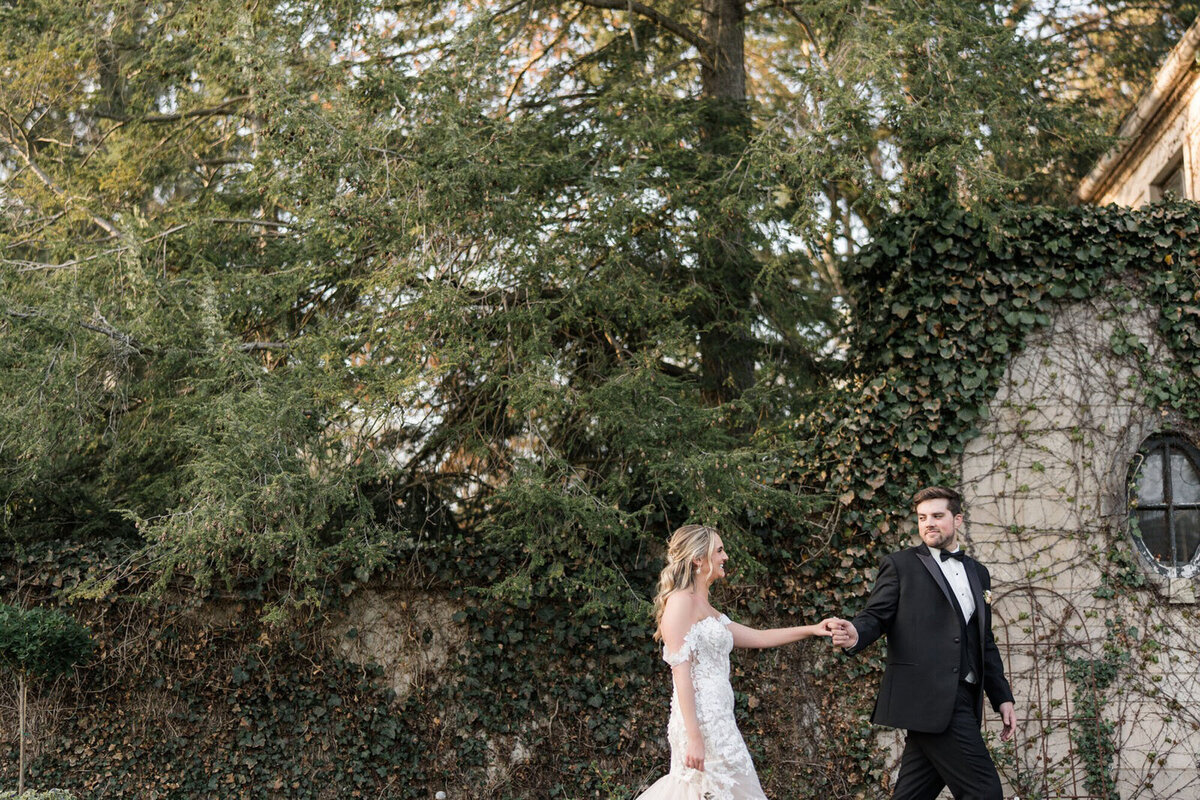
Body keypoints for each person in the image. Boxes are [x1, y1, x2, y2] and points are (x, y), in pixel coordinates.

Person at [829, 486, 1016, 800]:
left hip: (962, 698)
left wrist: (1002, 697)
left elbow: (983, 641)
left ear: (957, 519)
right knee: (985, 792)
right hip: (929, 695)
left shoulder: (978, 573)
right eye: (922, 517)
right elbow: (877, 615)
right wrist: (856, 633)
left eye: (937, 516)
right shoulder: (901, 565)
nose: (929, 523)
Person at [636, 524, 836, 800]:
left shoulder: (706, 606)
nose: (725, 556)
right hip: (700, 723)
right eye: (719, 550)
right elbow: (680, 674)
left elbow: (759, 637)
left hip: (720, 721)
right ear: (698, 559)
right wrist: (694, 737)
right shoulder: (681, 602)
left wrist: (812, 629)